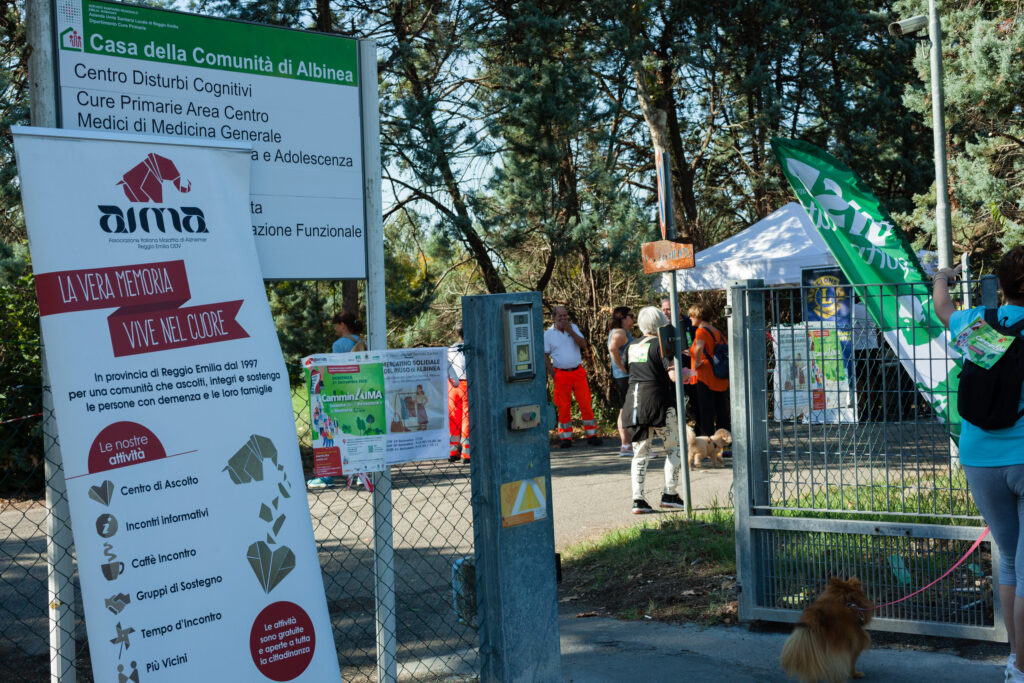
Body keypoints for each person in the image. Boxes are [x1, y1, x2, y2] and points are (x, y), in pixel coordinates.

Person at [934, 252, 1024, 682]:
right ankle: (1023, 668)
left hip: (979, 457)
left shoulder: (976, 323)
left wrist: (942, 276)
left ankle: (1015, 659)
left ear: (1002, 284)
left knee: (1010, 560)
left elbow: (941, 307)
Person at [622, 306, 694, 513]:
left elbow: (628, 370)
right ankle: (669, 493)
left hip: (633, 403)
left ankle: (638, 500)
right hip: (659, 402)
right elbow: (673, 376)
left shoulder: (631, 346)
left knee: (640, 453)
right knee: (675, 448)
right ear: (661, 322)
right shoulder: (663, 346)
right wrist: (686, 373)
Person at [308, 310, 366, 489]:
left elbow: (337, 369)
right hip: (361, 393)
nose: (334, 328)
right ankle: (359, 473)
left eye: (335, 325)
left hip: (342, 394)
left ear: (342, 325)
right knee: (357, 433)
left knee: (330, 433)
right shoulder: (363, 341)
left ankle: (327, 476)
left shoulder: (339, 344)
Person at [544, 306, 602, 448]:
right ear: (554, 318)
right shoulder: (548, 334)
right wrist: (552, 373)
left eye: (565, 315)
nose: (563, 318)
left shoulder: (573, 328)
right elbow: (544, 355)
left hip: (577, 372)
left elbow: (583, 345)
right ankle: (565, 438)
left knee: (586, 403)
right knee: (563, 406)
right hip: (561, 374)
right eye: (560, 316)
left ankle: (592, 435)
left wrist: (570, 331)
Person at [688, 302, 730, 436]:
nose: (690, 318)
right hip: (719, 376)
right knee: (722, 411)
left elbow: (700, 347)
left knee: (707, 413)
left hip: (706, 377)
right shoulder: (716, 331)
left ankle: (707, 443)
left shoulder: (701, 331)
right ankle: (724, 442)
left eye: (691, 315)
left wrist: (698, 363)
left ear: (698, 316)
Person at [662, 297, 700, 421]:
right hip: (674, 370)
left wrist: (693, 351)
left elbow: (699, 341)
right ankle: (680, 432)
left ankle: (699, 432)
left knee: (696, 400)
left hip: (692, 369)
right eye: (663, 310)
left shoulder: (690, 322)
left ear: (678, 309)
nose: (665, 313)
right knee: (676, 402)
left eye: (668, 309)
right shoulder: (662, 326)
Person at [608, 307, 636, 456]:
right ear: (623, 317)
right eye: (631, 316)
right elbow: (613, 348)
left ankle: (627, 445)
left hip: (622, 376)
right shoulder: (620, 332)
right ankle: (627, 445)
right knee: (628, 409)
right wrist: (621, 367)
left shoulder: (619, 332)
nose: (633, 319)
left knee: (624, 408)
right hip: (624, 377)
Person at [447, 324, 470, 463]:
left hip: (453, 385)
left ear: (457, 334)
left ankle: (453, 451)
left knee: (453, 418)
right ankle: (466, 453)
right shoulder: (470, 348)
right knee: (466, 418)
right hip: (467, 384)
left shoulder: (450, 349)